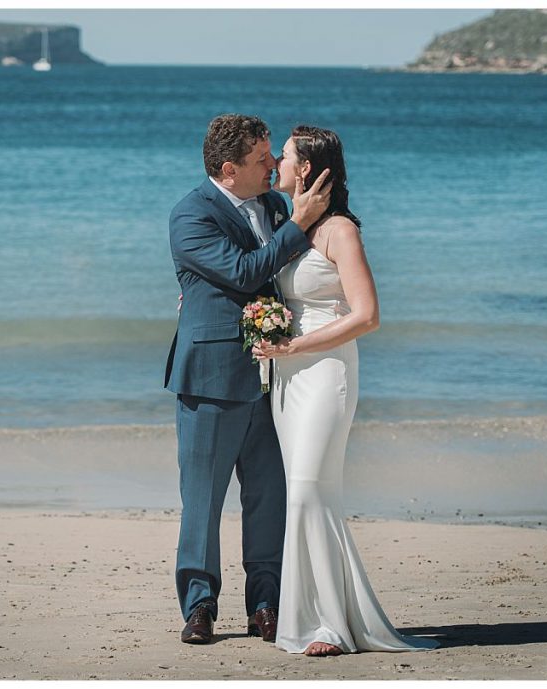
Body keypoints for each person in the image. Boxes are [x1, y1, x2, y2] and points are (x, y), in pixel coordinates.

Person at [253, 125, 440, 657]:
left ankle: (331, 626)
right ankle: (316, 618)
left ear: (307, 169)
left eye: (283, 157)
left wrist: (298, 345)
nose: (273, 163)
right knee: (308, 495)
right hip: (288, 378)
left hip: (326, 373)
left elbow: (368, 316)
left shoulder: (340, 231)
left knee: (311, 489)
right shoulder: (291, 224)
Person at [164, 114, 332, 645]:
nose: (275, 166)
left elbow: (283, 278)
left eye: (272, 155)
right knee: (204, 501)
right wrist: (298, 225)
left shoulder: (274, 205)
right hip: (212, 378)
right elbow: (243, 272)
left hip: (275, 377)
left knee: (268, 497)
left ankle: (266, 604)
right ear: (229, 168)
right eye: (264, 159)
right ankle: (199, 606)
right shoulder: (191, 214)